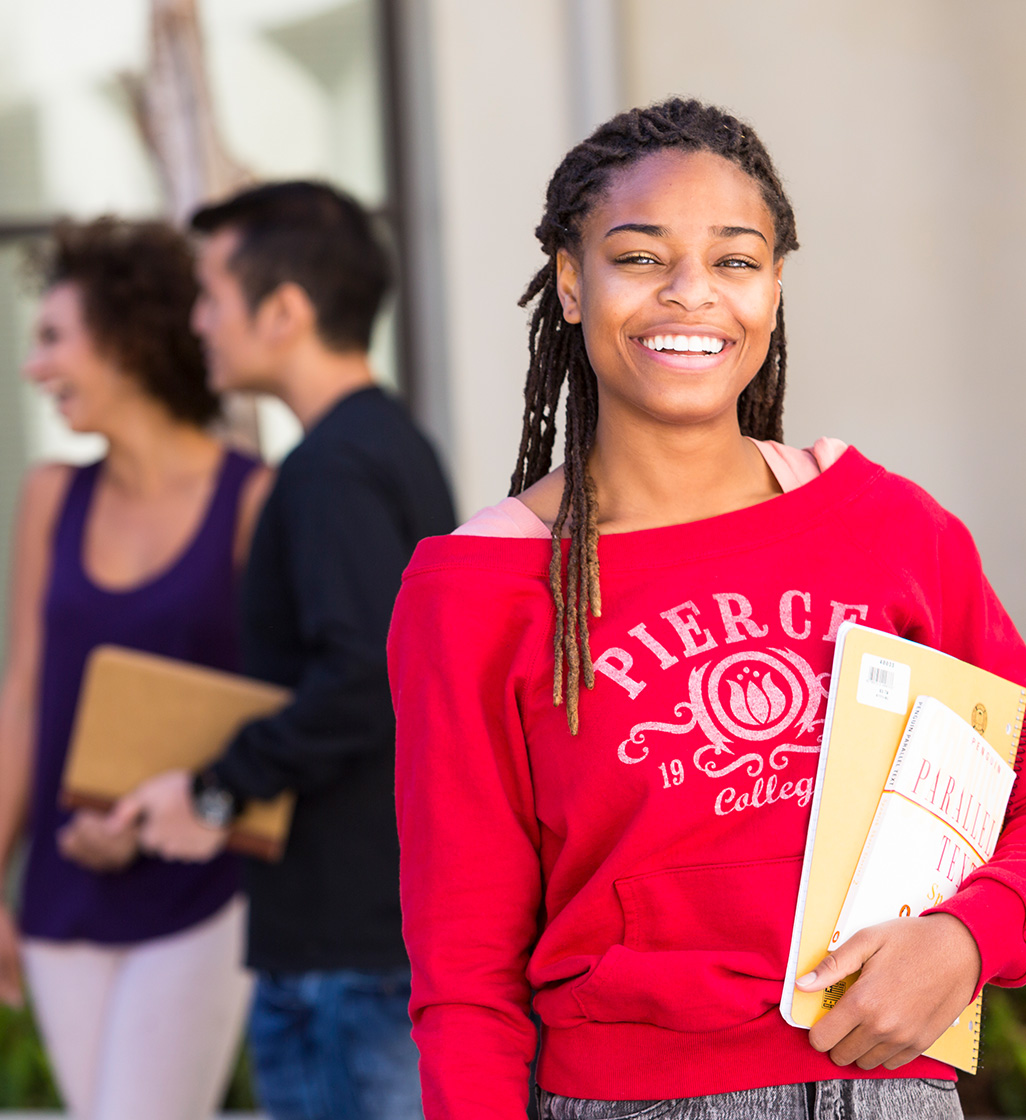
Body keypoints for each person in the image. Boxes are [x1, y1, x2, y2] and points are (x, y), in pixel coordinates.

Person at [387, 97, 1026, 1120]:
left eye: (735, 260)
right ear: (569, 280)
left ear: (774, 289)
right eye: (639, 257)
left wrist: (970, 937)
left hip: (896, 1097)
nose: (693, 294)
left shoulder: (890, 528)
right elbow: (465, 973)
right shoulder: (474, 589)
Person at [118, 181, 456, 1120]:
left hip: (344, 961)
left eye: (211, 296)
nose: (198, 322)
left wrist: (217, 789)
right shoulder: (389, 444)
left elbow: (362, 679)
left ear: (286, 311)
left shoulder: (331, 470)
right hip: (370, 940)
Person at [0, 217, 269, 1120]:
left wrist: (166, 808)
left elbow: (275, 708)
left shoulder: (252, 499)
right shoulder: (49, 496)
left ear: (127, 341)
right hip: (62, 890)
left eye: (53, 340)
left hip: (199, 883)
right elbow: (26, 695)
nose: (35, 368)